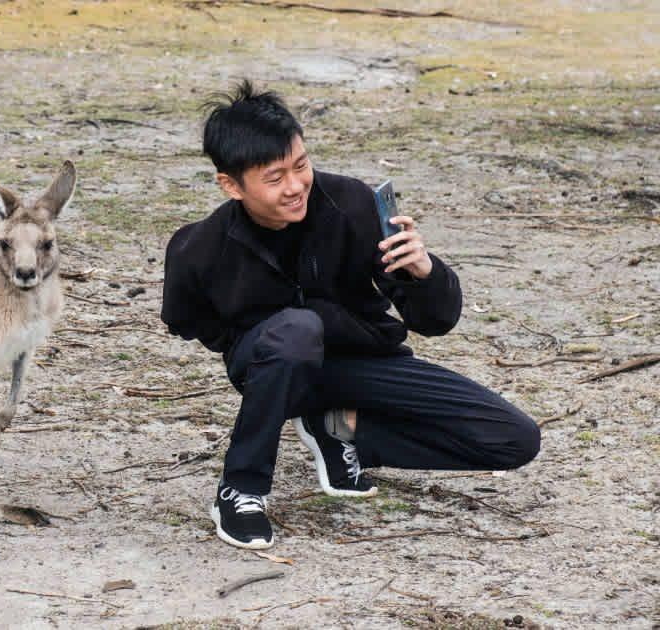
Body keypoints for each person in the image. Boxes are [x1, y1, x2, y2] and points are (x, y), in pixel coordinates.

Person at [160, 81, 540, 550]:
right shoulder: (200, 246)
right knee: (296, 331)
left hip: (362, 364)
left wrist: (424, 272)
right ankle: (241, 489)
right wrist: (250, 344)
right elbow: (185, 319)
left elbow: (435, 321)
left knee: (514, 438)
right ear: (231, 185)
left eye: (301, 165)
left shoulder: (352, 204)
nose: (295, 186)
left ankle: (341, 430)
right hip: (271, 366)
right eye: (275, 178)